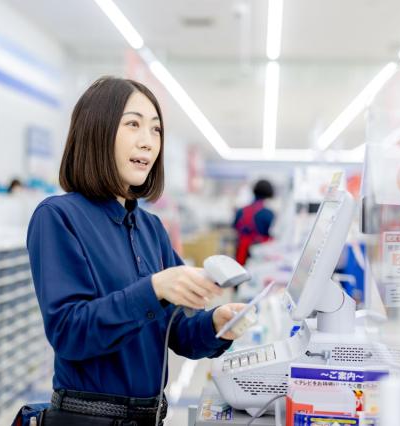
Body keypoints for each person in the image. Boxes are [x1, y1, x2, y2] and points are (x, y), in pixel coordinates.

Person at [26, 77, 246, 426]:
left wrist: (217, 326)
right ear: (96, 131)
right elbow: (69, 332)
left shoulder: (151, 229)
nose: (148, 141)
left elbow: (178, 332)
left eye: (156, 130)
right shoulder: (58, 217)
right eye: (133, 125)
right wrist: (154, 288)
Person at [233, 179, 275, 265]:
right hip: (259, 255)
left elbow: (235, 227)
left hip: (241, 252)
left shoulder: (241, 211)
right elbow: (273, 234)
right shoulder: (268, 213)